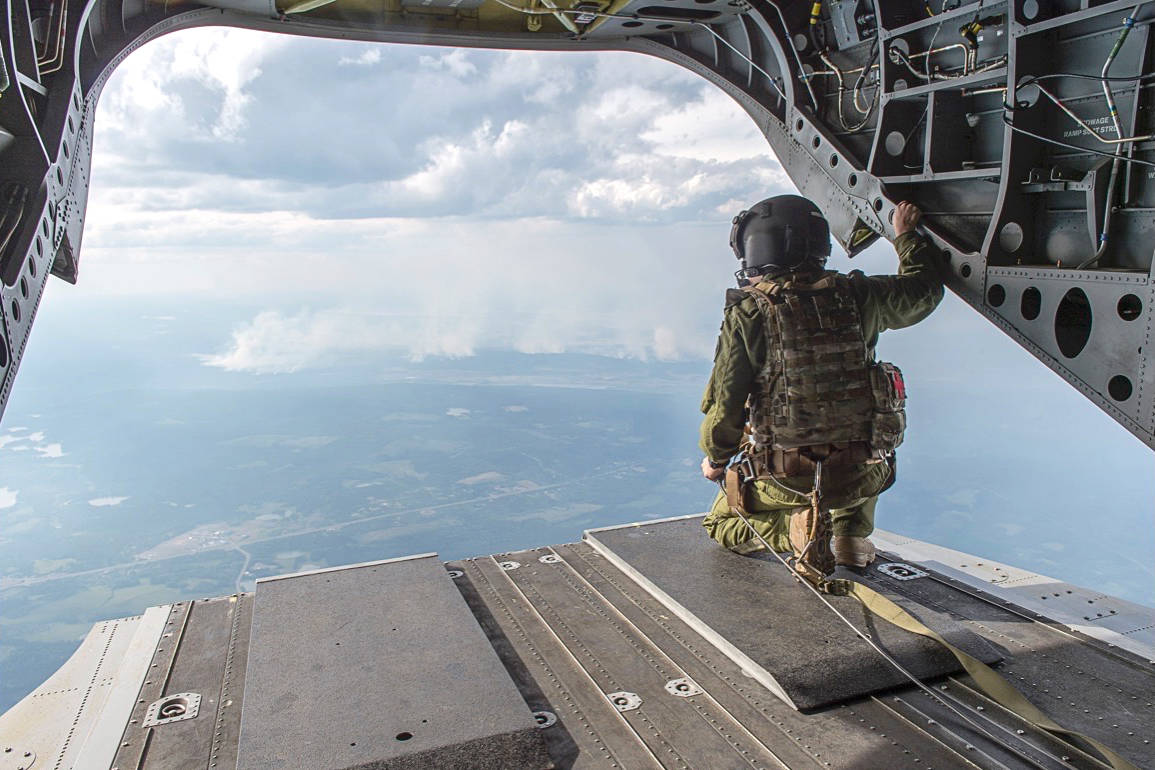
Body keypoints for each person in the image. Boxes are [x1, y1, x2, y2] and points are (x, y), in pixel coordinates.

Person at [698, 194, 944, 579]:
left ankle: (795, 532)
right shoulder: (861, 295)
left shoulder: (748, 311)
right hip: (862, 476)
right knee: (854, 441)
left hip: (785, 478)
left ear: (757, 249)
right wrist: (906, 237)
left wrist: (715, 460)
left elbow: (726, 401)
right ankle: (851, 538)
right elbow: (924, 292)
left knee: (720, 525)